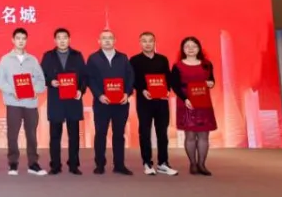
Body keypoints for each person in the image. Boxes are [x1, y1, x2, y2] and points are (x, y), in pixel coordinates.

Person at [0, 28, 47, 176]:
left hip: (31, 103)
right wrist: (14, 92)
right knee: (12, 134)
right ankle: (13, 163)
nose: (20, 41)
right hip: (13, 103)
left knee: (31, 134)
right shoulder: (5, 60)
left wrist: (34, 90)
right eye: (18, 38)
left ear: (26, 41)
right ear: (13, 40)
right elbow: (1, 82)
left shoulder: (32, 60)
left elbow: (41, 80)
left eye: (23, 39)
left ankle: (33, 163)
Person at [86, 29, 135, 176]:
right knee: (100, 133)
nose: (107, 40)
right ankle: (100, 164)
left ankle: (119, 165)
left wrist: (127, 93)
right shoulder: (93, 58)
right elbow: (90, 79)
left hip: (121, 103)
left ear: (115, 41)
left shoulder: (123, 58)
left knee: (119, 134)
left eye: (110, 38)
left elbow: (130, 77)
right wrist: (99, 95)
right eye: (104, 38)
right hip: (102, 103)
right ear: (99, 41)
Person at [40, 28, 88, 175]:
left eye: (65, 37)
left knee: (74, 135)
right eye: (59, 38)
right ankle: (55, 165)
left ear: (69, 39)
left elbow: (84, 76)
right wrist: (50, 81)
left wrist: (81, 90)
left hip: (73, 100)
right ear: (55, 40)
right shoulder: (48, 56)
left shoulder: (77, 55)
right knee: (55, 135)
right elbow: (41, 75)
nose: (62, 40)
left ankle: (73, 165)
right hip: (56, 100)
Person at [130, 32, 178, 176]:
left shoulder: (162, 59)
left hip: (161, 101)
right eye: (144, 41)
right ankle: (147, 163)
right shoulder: (134, 60)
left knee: (162, 132)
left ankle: (163, 163)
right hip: (144, 101)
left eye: (150, 41)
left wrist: (167, 90)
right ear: (140, 43)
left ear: (154, 42)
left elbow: (167, 77)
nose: (147, 44)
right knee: (144, 132)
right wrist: (142, 90)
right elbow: (133, 79)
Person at [170, 36, 218, 176]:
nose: (190, 49)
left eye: (194, 46)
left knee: (204, 135)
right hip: (186, 103)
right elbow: (175, 85)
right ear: (183, 49)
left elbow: (211, 80)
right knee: (190, 135)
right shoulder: (177, 66)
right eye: (187, 46)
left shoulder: (207, 64)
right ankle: (193, 164)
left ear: (199, 48)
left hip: (203, 102)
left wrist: (211, 83)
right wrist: (185, 99)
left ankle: (202, 164)